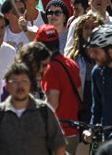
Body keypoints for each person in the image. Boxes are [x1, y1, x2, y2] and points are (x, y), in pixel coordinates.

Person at [0, 63, 66, 155]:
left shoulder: (44, 111)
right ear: (7, 86)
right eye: (15, 82)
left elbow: (59, 144)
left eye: (24, 81)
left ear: (30, 84)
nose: (20, 86)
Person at [38, 24, 81, 153]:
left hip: (58, 134)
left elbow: (52, 104)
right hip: (74, 130)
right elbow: (80, 95)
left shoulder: (50, 68)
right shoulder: (71, 63)